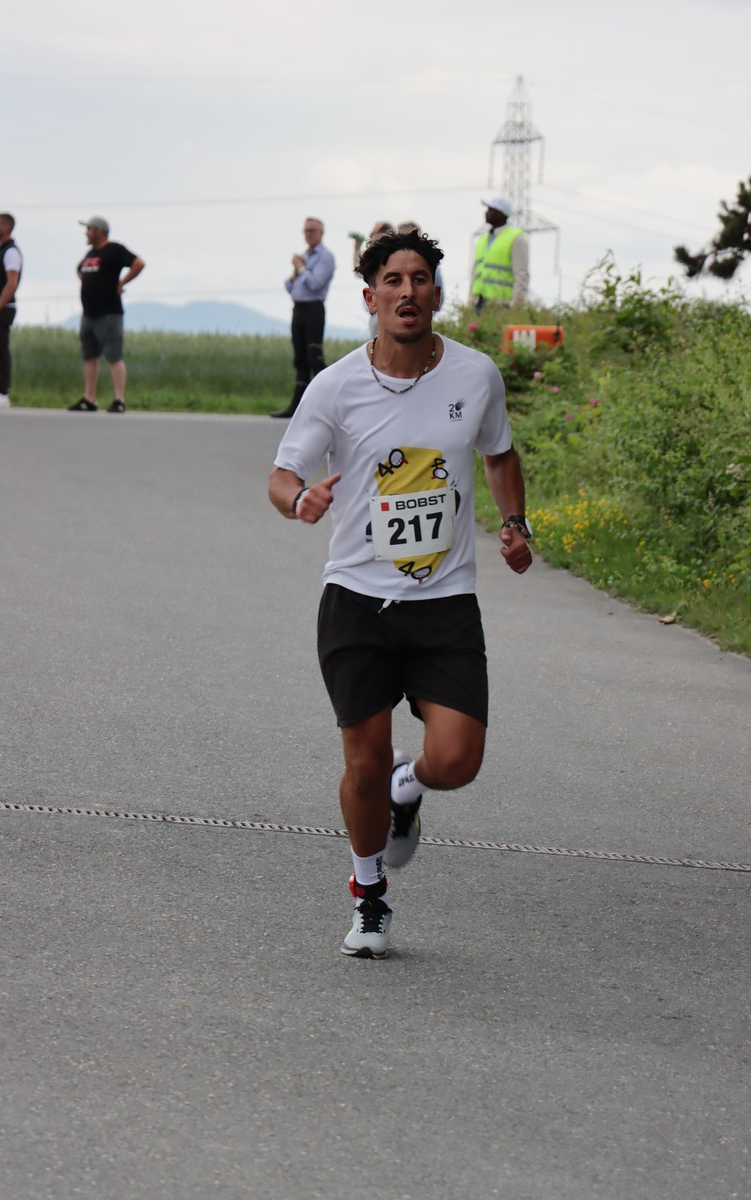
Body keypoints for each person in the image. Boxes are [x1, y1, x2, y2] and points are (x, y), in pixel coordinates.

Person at [268, 227, 533, 959]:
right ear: (370, 298)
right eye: (393, 280)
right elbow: (283, 475)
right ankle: (370, 895)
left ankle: (407, 786)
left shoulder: (476, 376)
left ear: (436, 294)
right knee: (362, 761)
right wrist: (299, 502)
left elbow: (501, 454)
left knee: (458, 761)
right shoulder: (336, 386)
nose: (407, 291)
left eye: (419, 279)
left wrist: (515, 523)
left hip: (444, 602)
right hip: (357, 599)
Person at [68, 217, 145, 413]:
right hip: (88, 314)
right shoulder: (91, 253)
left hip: (109, 313)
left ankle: (119, 400)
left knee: (113, 356)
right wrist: (90, 283)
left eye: (89, 229)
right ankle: (89, 399)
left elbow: (138, 263)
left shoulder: (115, 250)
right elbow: (79, 269)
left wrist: (122, 283)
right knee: (89, 356)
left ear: (100, 231)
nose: (86, 233)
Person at [270, 216, 336, 419]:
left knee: (315, 357)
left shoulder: (325, 256)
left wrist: (301, 268)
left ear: (321, 233)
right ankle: (297, 406)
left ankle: (331, 405)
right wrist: (296, 270)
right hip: (298, 309)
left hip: (313, 309)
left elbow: (315, 283)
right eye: (305, 231)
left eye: (312, 231)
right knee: (300, 360)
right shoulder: (305, 256)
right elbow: (291, 287)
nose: (308, 234)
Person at [470, 196, 529, 311]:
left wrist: (515, 307)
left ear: (500, 214)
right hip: (479, 304)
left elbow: (521, 275)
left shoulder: (516, 238)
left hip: (502, 306)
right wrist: (470, 304)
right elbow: (475, 275)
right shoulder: (482, 239)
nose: (486, 213)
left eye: (490, 210)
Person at [0, 213, 22, 408]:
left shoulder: (11, 252)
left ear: (6, 227)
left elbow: (11, 283)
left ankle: (2, 392)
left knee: (0, 350)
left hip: (2, 308)